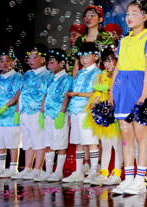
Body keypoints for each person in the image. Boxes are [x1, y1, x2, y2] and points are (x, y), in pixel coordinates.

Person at [110, 0, 147, 196]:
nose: (129, 17)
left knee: (140, 135)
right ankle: (128, 178)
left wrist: (144, 94)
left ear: (144, 17)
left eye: (134, 13)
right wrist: (112, 92)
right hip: (121, 87)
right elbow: (117, 68)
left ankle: (140, 179)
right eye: (127, 13)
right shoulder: (124, 40)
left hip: (138, 86)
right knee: (126, 136)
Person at [63, 42, 101, 184]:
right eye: (82, 57)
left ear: (96, 57)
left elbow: (95, 93)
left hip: (87, 110)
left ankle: (93, 171)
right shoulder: (80, 73)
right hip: (75, 110)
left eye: (87, 56)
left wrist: (77, 94)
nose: (84, 60)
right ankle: (78, 172)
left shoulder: (97, 72)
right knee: (78, 141)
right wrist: (70, 113)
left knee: (91, 141)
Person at [11, 45, 51, 180]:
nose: (30, 59)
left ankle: (38, 168)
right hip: (24, 111)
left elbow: (46, 95)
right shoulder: (27, 74)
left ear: (44, 59)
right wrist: (17, 111)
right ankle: (28, 167)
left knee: (38, 140)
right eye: (29, 57)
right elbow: (21, 93)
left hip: (37, 112)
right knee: (27, 141)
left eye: (34, 57)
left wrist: (42, 112)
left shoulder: (47, 75)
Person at [85, 48, 123, 186]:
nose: (107, 64)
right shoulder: (102, 75)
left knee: (117, 145)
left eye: (110, 61)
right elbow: (97, 94)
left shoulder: (121, 75)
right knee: (106, 144)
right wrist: (93, 108)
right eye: (105, 61)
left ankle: (117, 173)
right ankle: (104, 172)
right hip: (105, 114)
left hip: (117, 113)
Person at [40, 48, 73, 182]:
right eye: (48, 63)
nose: (49, 65)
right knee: (48, 143)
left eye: (52, 62)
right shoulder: (49, 78)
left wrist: (62, 113)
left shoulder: (67, 78)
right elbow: (45, 95)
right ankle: (48, 171)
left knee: (60, 143)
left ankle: (58, 171)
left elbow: (66, 96)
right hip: (48, 114)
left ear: (62, 63)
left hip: (59, 115)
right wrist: (41, 113)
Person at [0, 50, 22, 179]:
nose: (5, 63)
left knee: (13, 142)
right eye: (1, 61)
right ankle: (1, 168)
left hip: (11, 115)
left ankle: (13, 168)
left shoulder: (18, 77)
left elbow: (18, 94)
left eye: (8, 60)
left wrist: (5, 107)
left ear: (14, 61)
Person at [73, 5, 114, 76]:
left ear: (100, 19)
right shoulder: (80, 40)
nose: (88, 18)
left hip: (101, 77)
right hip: (82, 77)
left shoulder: (106, 38)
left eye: (92, 15)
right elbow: (76, 64)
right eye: (86, 15)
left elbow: (111, 60)